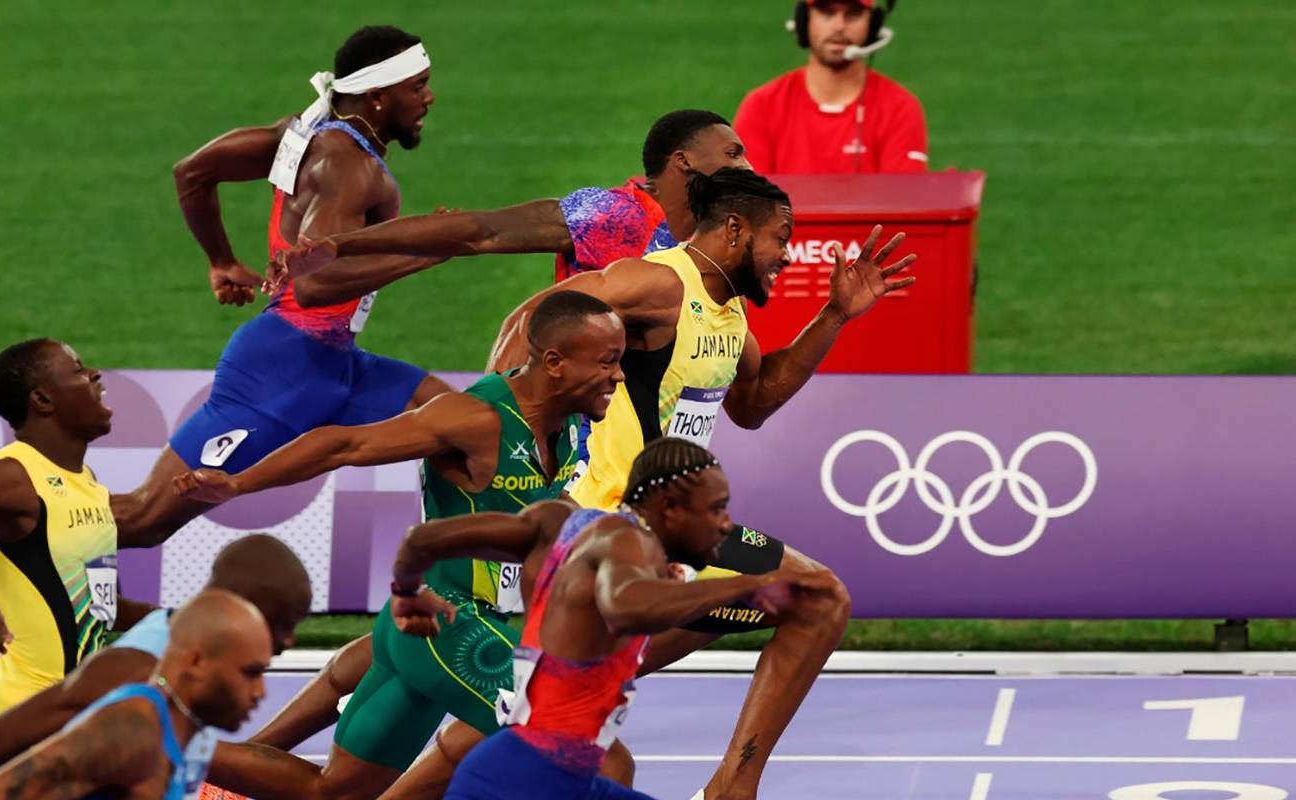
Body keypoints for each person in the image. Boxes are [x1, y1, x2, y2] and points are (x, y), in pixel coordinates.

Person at [479, 167, 911, 799]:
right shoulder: (659, 283)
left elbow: (755, 402)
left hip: (674, 537)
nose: (788, 256)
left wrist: (834, 316)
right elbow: (539, 314)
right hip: (606, 533)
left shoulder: (729, 315)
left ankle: (731, 788)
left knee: (817, 599)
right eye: (780, 238)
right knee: (539, 740)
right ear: (735, 230)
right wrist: (507, 427)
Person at [172, 291, 628, 799]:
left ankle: (170, 747)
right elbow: (344, 444)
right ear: (555, 362)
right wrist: (239, 484)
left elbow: (544, 515)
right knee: (595, 755)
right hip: (445, 623)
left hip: (454, 629)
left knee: (333, 792)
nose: (620, 375)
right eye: (608, 362)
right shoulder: (476, 419)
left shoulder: (570, 427)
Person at [111, 24, 454, 550]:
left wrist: (222, 261)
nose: (428, 98)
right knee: (142, 519)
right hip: (283, 369)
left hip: (335, 362)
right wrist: (426, 252)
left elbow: (193, 173)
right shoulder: (349, 166)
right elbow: (316, 289)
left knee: (462, 427)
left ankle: (453, 581)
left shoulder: (303, 131)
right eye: (418, 87)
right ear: (380, 97)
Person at [389, 438, 818, 800]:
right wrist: (746, 585)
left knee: (617, 766)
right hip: (522, 783)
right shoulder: (627, 545)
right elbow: (624, 606)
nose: (727, 525)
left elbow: (421, 539)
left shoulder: (558, 522)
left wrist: (407, 593)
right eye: (717, 509)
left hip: (544, 776)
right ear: (670, 508)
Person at [0, 339, 152, 800]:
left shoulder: (89, 487)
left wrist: (181, 622)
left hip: (75, 721)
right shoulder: (1, 479)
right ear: (41, 400)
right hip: (13, 725)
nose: (96, 375)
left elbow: (97, 606)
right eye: (80, 370)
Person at [0, 534, 312, 798]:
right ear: (236, 607)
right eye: (282, 622)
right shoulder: (135, 681)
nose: (288, 640)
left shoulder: (196, 680)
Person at [278, 108, 751, 289]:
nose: (746, 167)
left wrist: (830, 315)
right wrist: (341, 245)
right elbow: (484, 230)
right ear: (683, 160)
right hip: (578, 448)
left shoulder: (707, 240)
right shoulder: (619, 215)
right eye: (733, 153)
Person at [0, 589, 273, 800]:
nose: (261, 692)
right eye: (249, 673)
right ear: (195, 662)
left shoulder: (192, 739)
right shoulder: (126, 735)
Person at [733, 0, 928, 174]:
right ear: (804, 21)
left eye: (852, 14)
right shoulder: (762, 106)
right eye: (827, 13)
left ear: (874, 25)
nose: (839, 26)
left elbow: (903, 202)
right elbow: (747, 202)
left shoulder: (899, 108)